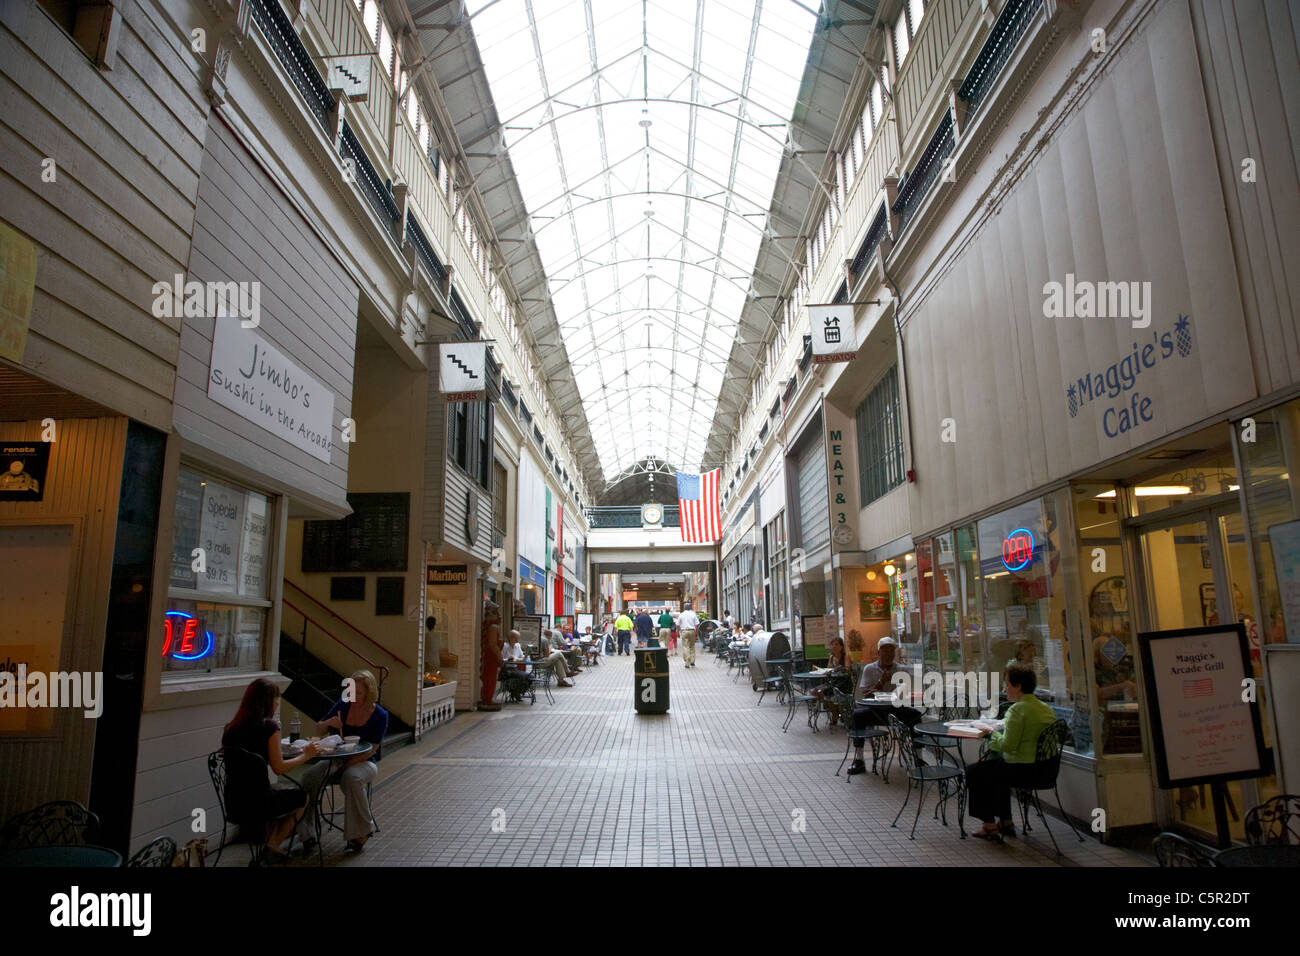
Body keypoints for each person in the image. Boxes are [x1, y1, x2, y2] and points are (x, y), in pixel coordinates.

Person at [221, 678, 319, 862]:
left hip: (234, 802)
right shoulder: (269, 728)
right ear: (267, 702)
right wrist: (306, 755)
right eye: (275, 700)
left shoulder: (231, 729)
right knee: (302, 797)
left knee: (280, 791)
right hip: (259, 803)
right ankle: (273, 844)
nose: (276, 704)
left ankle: (269, 846)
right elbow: (279, 768)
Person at [298, 669, 389, 852]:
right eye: (351, 690)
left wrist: (347, 764)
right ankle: (307, 833)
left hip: (364, 761)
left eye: (359, 692)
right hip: (337, 759)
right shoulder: (344, 705)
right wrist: (329, 723)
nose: (353, 695)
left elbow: (372, 748)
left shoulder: (379, 715)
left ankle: (360, 833)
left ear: (369, 692)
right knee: (309, 777)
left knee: (352, 778)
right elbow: (319, 729)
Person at [965, 662, 1058, 840]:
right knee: (996, 769)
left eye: (1007, 684)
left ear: (1018, 686)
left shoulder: (1017, 710)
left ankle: (989, 824)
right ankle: (1006, 821)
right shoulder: (1046, 709)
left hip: (1024, 771)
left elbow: (1008, 746)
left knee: (975, 771)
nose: (1005, 689)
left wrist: (991, 734)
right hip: (1047, 770)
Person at [846, 637, 922, 775]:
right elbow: (866, 695)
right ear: (879, 652)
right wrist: (881, 682)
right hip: (875, 710)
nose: (889, 654)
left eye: (891, 651)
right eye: (885, 651)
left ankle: (919, 758)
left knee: (915, 715)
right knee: (858, 715)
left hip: (895, 709)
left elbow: (905, 693)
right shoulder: (870, 669)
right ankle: (859, 759)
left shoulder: (900, 669)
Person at [815, 635, 854, 727]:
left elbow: (848, 670)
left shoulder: (846, 656)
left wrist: (838, 667)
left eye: (836, 644)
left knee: (829, 691)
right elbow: (828, 670)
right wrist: (819, 669)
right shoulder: (831, 657)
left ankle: (836, 714)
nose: (834, 647)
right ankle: (835, 713)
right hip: (834, 683)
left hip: (844, 683)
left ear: (841, 647)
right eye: (832, 645)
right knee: (819, 691)